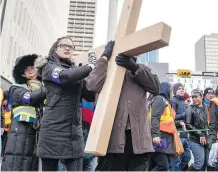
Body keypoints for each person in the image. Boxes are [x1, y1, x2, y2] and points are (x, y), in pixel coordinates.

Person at [85, 41, 160, 171]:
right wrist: (104, 58)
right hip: (113, 137)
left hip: (139, 139)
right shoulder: (107, 69)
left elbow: (156, 87)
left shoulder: (141, 69)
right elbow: (92, 85)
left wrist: (134, 67)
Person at [36, 36, 96, 171]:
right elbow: (65, 76)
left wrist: (95, 71)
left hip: (74, 132)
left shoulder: (75, 71)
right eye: (64, 45)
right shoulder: (49, 67)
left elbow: (90, 95)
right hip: (52, 130)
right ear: (55, 49)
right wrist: (90, 66)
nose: (68, 48)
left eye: (71, 46)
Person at [1, 54, 46, 171]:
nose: (31, 71)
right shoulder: (16, 88)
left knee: (32, 164)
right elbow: (30, 98)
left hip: (39, 134)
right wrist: (49, 89)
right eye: (27, 70)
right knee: (16, 164)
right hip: (19, 133)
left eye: (33, 68)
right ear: (22, 74)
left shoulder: (43, 86)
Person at [148, 82, 176, 171]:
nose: (172, 92)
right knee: (163, 166)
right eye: (171, 90)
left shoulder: (165, 101)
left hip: (164, 137)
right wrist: (156, 135)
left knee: (153, 165)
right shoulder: (160, 99)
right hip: (160, 137)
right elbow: (155, 117)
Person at [186, 89, 210, 171]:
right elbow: (188, 125)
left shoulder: (206, 108)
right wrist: (200, 134)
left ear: (202, 96)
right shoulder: (190, 108)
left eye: (196, 97)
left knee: (206, 163)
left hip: (207, 139)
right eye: (193, 97)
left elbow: (208, 123)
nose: (194, 99)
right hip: (195, 139)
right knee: (199, 163)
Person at [170, 83, 191, 171]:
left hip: (185, 134)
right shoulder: (173, 101)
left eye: (183, 88)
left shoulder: (183, 102)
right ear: (175, 91)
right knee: (176, 160)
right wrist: (184, 115)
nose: (182, 90)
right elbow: (172, 118)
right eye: (179, 88)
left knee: (187, 157)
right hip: (177, 134)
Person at [1, 90, 11, 157]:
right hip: (3, 127)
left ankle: (2, 153)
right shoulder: (3, 106)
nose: (4, 102)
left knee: (4, 141)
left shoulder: (9, 107)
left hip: (6, 128)